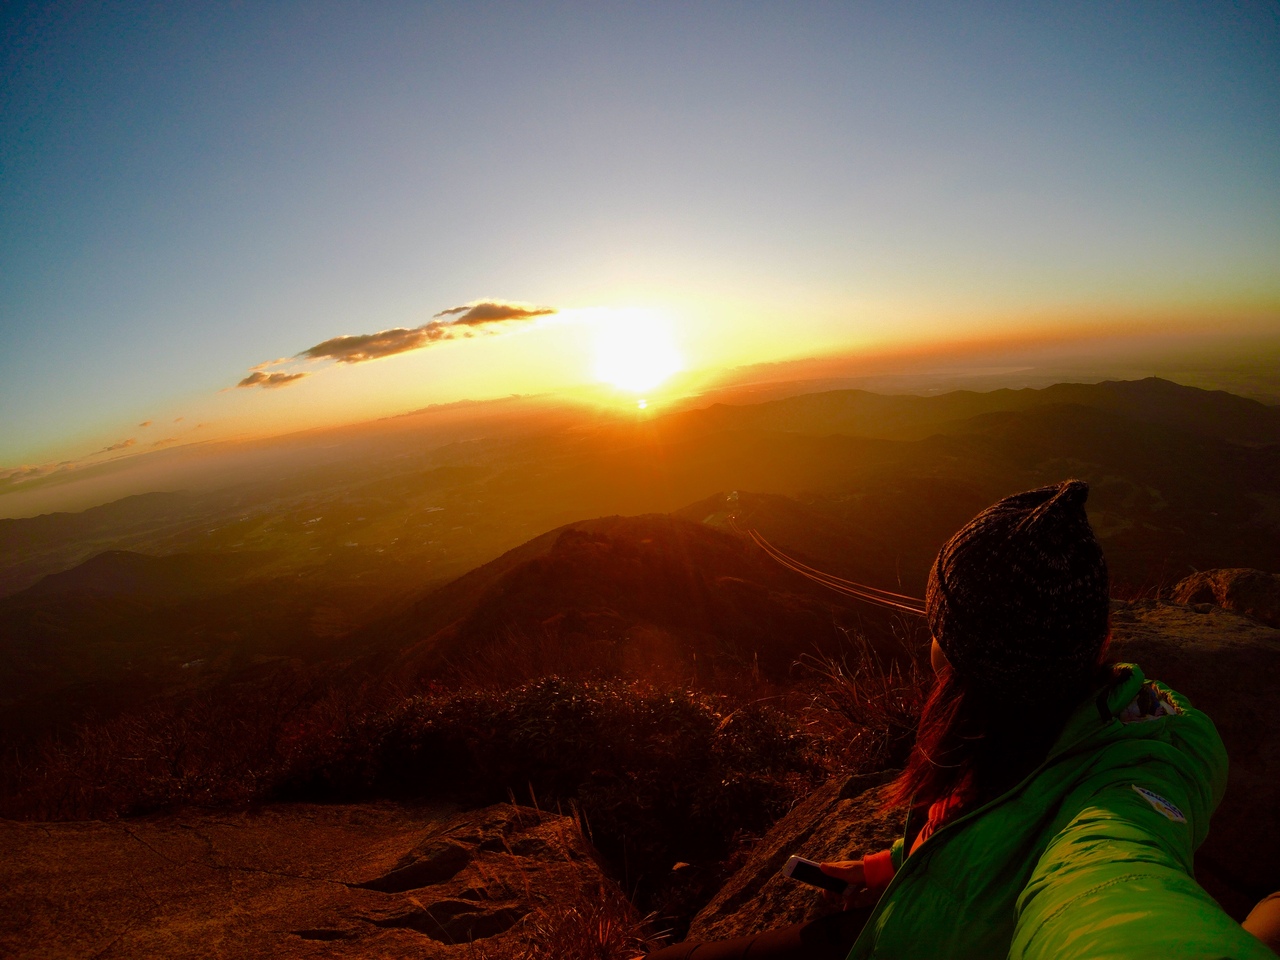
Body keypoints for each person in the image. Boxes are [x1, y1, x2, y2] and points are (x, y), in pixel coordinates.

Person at [648, 480, 1278, 959]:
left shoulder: (1130, 785)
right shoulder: (1039, 724)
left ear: (963, 654)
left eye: (936, 627)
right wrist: (881, 867)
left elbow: (1109, 888)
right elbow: (991, 829)